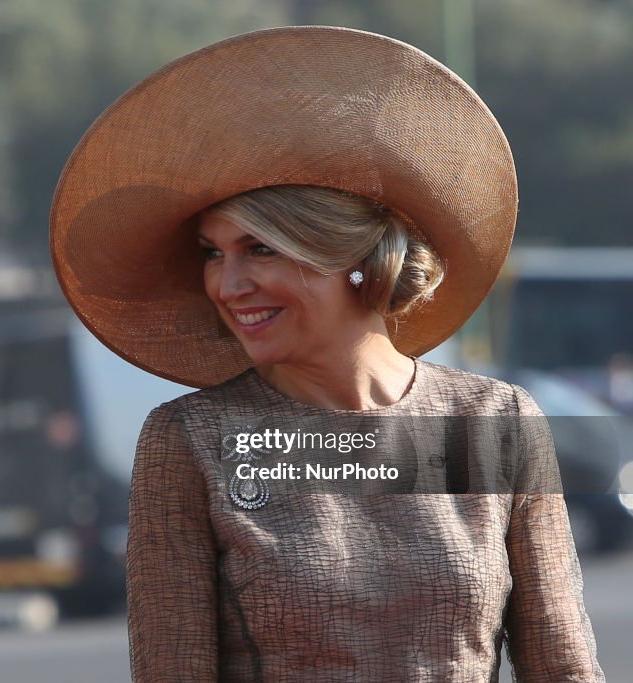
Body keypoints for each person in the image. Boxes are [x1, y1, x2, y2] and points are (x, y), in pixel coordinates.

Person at [50, 26, 604, 681]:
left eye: (260, 248)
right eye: (212, 253)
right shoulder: (193, 440)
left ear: (352, 258)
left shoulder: (495, 425)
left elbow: (564, 666)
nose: (227, 285)